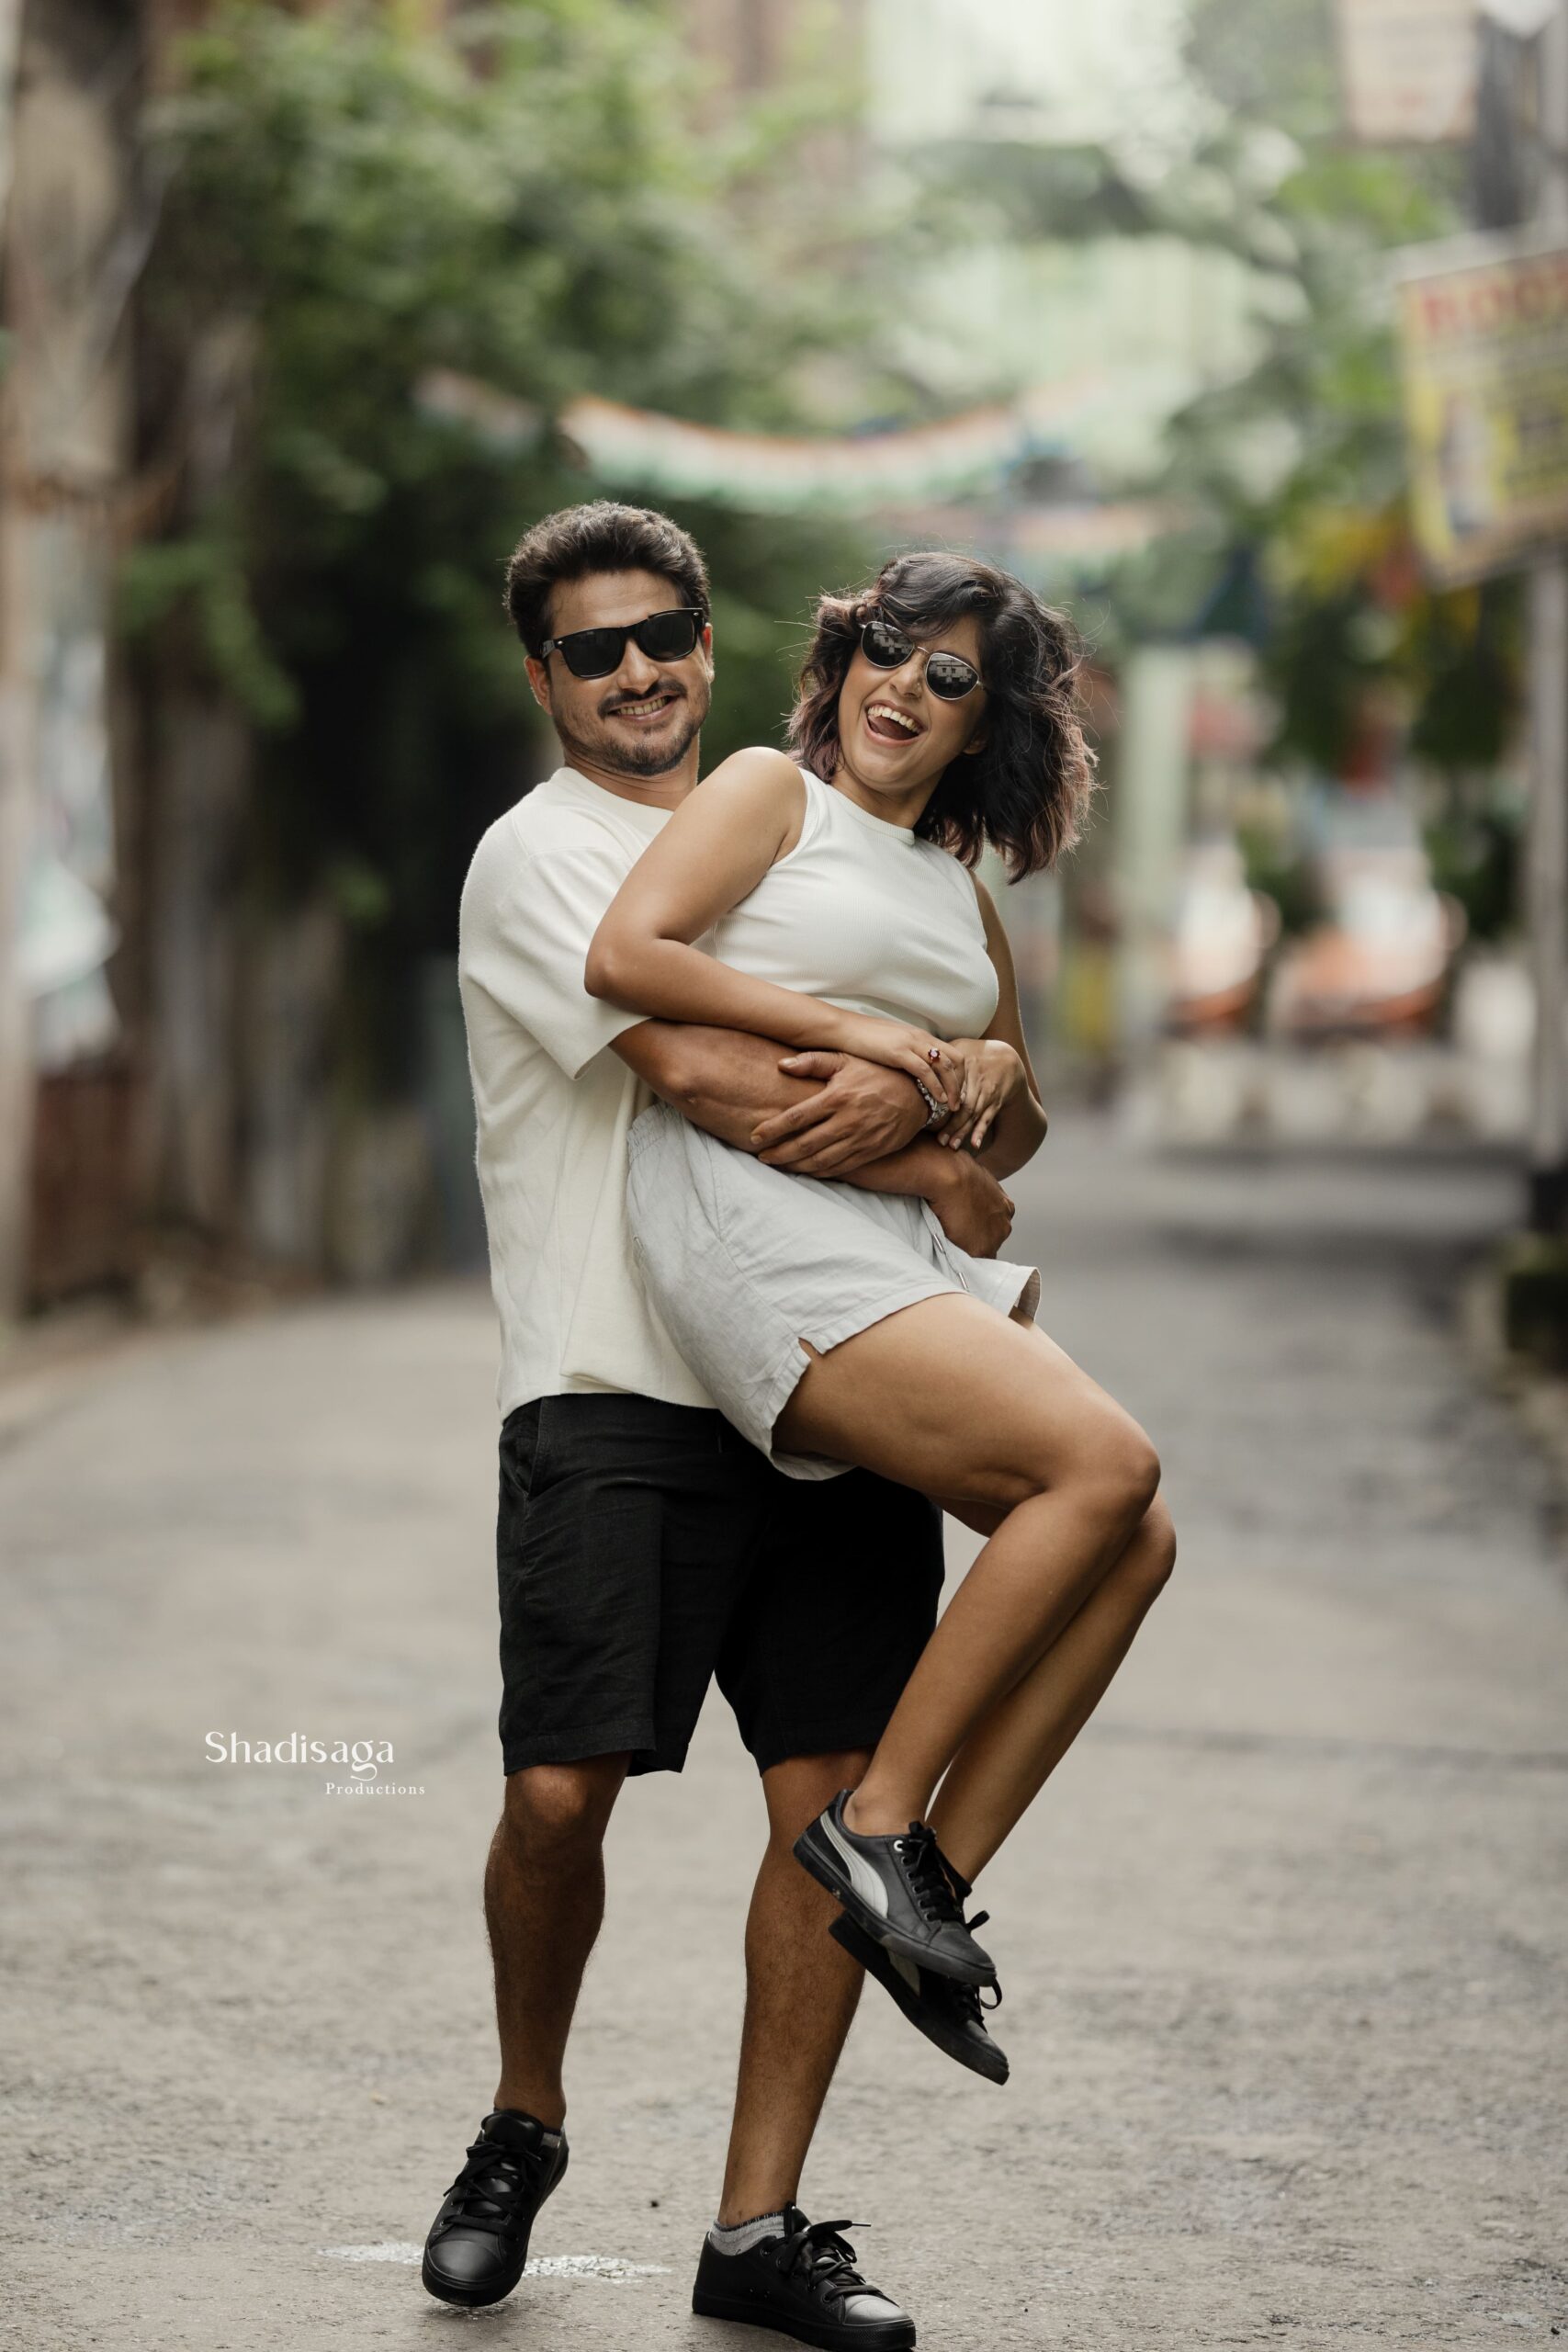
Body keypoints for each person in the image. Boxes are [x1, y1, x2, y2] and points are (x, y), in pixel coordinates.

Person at [424, 503, 1020, 2349]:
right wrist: (941, 1140)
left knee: (824, 1813)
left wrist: (980, 1082)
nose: (634, 671)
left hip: (833, 1374)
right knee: (556, 1789)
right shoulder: (541, 858)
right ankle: (524, 2114)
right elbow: (706, 1071)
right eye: (590, 649)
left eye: (660, 634)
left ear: (706, 639)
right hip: (611, 1381)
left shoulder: (795, 831)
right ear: (543, 678)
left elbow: (947, 1039)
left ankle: (755, 2227)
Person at [587, 550, 1177, 2035]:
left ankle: (925, 1893)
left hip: (895, 1248)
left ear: (984, 727)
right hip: (757, 1219)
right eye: (890, 648)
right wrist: (868, 1040)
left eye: (948, 674)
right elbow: (626, 956)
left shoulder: (962, 893)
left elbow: (1017, 1130)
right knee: (1105, 1465)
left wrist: (988, 1073)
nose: (906, 684)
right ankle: (880, 1825)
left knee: (1136, 1540)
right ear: (845, 661)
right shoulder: (770, 797)